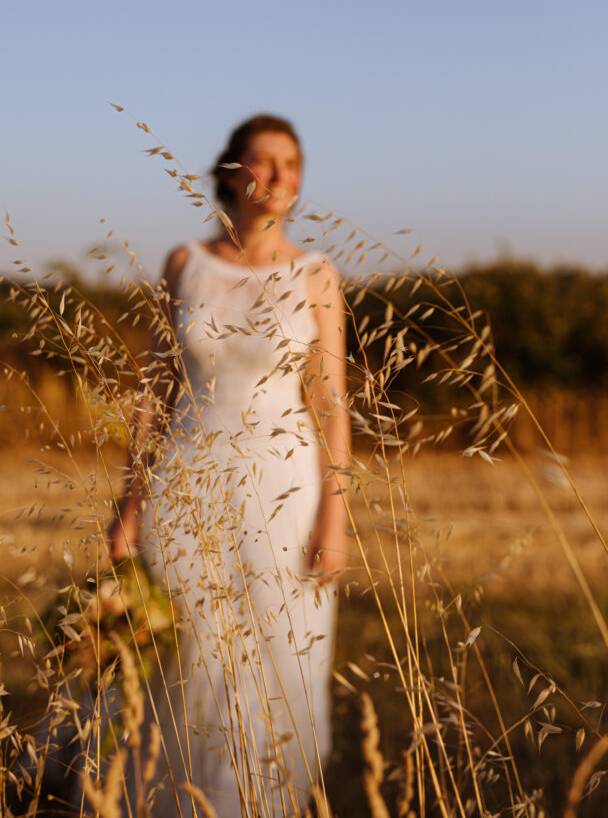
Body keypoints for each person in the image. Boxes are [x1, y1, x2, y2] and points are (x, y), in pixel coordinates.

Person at [108, 114, 351, 817]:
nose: (278, 176)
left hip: (287, 484)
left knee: (281, 656)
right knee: (187, 658)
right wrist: (129, 506)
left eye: (290, 164)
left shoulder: (317, 274)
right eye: (263, 161)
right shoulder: (185, 263)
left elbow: (332, 405)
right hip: (187, 481)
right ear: (230, 173)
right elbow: (153, 393)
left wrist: (334, 520)